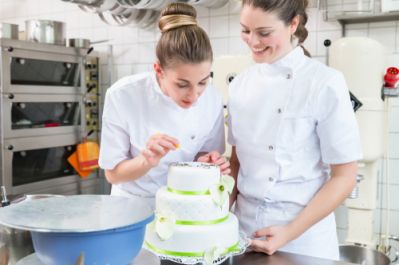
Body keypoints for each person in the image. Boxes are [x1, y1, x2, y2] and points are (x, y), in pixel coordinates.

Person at [227, 0, 362, 260]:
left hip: (302, 238)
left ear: (293, 24)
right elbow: (236, 162)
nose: (253, 41)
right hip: (242, 232)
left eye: (264, 33)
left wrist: (288, 232)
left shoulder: (324, 82)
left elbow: (345, 177)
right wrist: (218, 215)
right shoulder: (240, 85)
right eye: (245, 30)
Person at [99, 2, 230, 209]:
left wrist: (209, 163)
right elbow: (113, 174)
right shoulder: (123, 95)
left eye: (203, 82)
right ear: (158, 70)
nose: (195, 95)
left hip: (186, 204)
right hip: (132, 207)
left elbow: (203, 155)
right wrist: (146, 160)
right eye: (182, 84)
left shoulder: (212, 98)